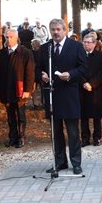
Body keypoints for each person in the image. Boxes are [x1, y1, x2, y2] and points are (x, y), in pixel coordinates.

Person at [36, 18, 87, 175]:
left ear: (65, 30)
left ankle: (76, 163)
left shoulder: (76, 46)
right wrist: (41, 75)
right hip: (52, 96)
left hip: (69, 95)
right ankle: (59, 162)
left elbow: (84, 68)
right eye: (53, 30)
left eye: (58, 29)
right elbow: (37, 69)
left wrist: (70, 74)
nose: (56, 32)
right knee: (56, 132)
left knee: (72, 132)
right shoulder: (45, 48)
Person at [0, 29, 35, 148]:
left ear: (16, 38)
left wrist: (28, 90)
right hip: (6, 89)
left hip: (20, 89)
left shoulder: (26, 53)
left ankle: (21, 136)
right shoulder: (0, 54)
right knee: (10, 115)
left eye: (11, 37)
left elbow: (30, 73)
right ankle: (12, 137)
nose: (8, 39)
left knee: (20, 114)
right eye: (6, 37)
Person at [80, 33, 102, 147]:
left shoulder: (101, 56)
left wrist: (92, 84)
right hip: (82, 88)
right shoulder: (79, 55)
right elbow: (77, 70)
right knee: (83, 115)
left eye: (88, 42)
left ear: (95, 43)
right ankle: (85, 138)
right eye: (84, 42)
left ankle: (97, 137)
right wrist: (84, 83)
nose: (86, 44)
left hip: (95, 89)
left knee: (96, 115)